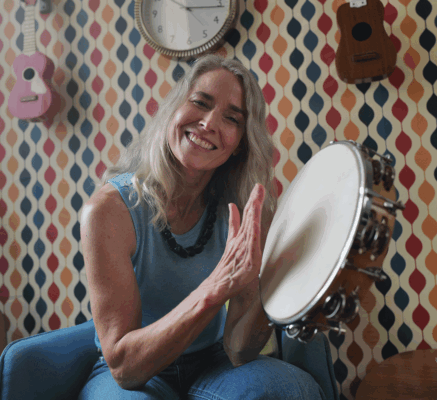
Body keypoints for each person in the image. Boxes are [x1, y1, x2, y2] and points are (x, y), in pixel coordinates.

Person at [79, 55, 323, 399]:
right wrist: (215, 289)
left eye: (231, 118)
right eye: (200, 102)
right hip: (133, 375)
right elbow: (124, 367)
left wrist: (275, 281)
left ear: (240, 144)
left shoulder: (244, 211)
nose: (209, 123)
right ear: (173, 110)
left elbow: (239, 350)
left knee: (293, 389)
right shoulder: (108, 211)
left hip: (212, 364)